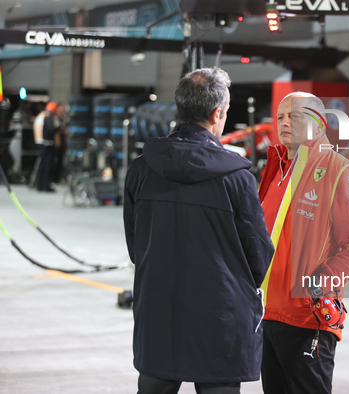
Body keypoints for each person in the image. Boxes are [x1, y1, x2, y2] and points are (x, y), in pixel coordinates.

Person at [123, 67, 274, 394]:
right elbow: (259, 253)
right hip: (219, 313)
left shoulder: (141, 169)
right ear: (217, 113)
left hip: (159, 310)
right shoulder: (236, 177)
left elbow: (136, 247)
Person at [258, 92, 349, 394]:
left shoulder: (339, 170)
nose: (283, 123)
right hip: (267, 314)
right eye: (279, 117)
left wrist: (316, 287)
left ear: (318, 121)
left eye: (292, 116)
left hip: (307, 319)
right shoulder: (276, 168)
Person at [35, 102, 61, 192]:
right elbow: (52, 130)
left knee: (43, 165)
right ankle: (46, 185)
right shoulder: (48, 118)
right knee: (47, 166)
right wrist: (57, 126)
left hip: (41, 144)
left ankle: (40, 185)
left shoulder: (41, 116)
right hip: (47, 145)